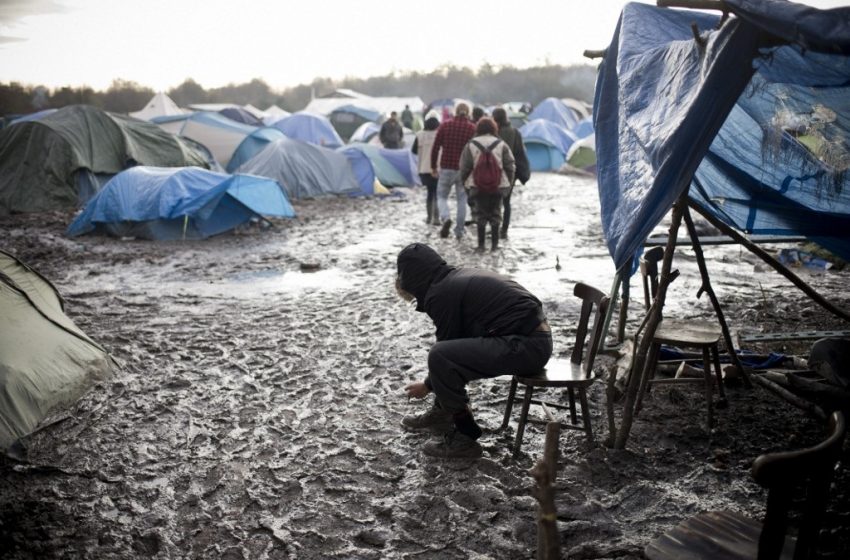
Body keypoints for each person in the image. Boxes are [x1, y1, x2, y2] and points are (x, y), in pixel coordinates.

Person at [395, 243, 553, 458]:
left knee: (440, 355)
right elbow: (456, 344)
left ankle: (465, 436)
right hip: (532, 340)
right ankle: (443, 412)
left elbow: (446, 350)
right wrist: (432, 385)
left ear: (413, 277)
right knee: (445, 355)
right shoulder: (451, 278)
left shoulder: (440, 293)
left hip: (527, 345)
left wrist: (427, 385)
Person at [459, 117, 515, 252]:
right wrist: (508, 184)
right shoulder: (501, 144)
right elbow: (510, 165)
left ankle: (481, 245)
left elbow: (464, 167)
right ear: (493, 128)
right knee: (496, 213)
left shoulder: (471, 144)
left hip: (477, 185)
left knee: (480, 214)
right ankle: (495, 245)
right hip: (498, 185)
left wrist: (466, 185)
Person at [431, 103, 476, 240]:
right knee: (462, 200)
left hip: (446, 167)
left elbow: (436, 146)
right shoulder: (472, 128)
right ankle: (459, 230)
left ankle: (446, 218)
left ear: (455, 111)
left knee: (441, 197)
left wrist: (433, 166)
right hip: (464, 170)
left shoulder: (445, 125)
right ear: (468, 112)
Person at [492, 107, 531, 240]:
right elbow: (520, 151)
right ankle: (504, 229)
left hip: (495, 171)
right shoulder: (515, 132)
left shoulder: (494, 132)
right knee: (507, 202)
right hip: (511, 171)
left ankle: (495, 227)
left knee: (495, 201)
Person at [411, 115, 442, 225]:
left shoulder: (419, 135)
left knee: (430, 192)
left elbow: (414, 151)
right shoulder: (439, 134)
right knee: (437, 193)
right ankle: (437, 218)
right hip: (437, 168)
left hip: (424, 168)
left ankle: (429, 217)